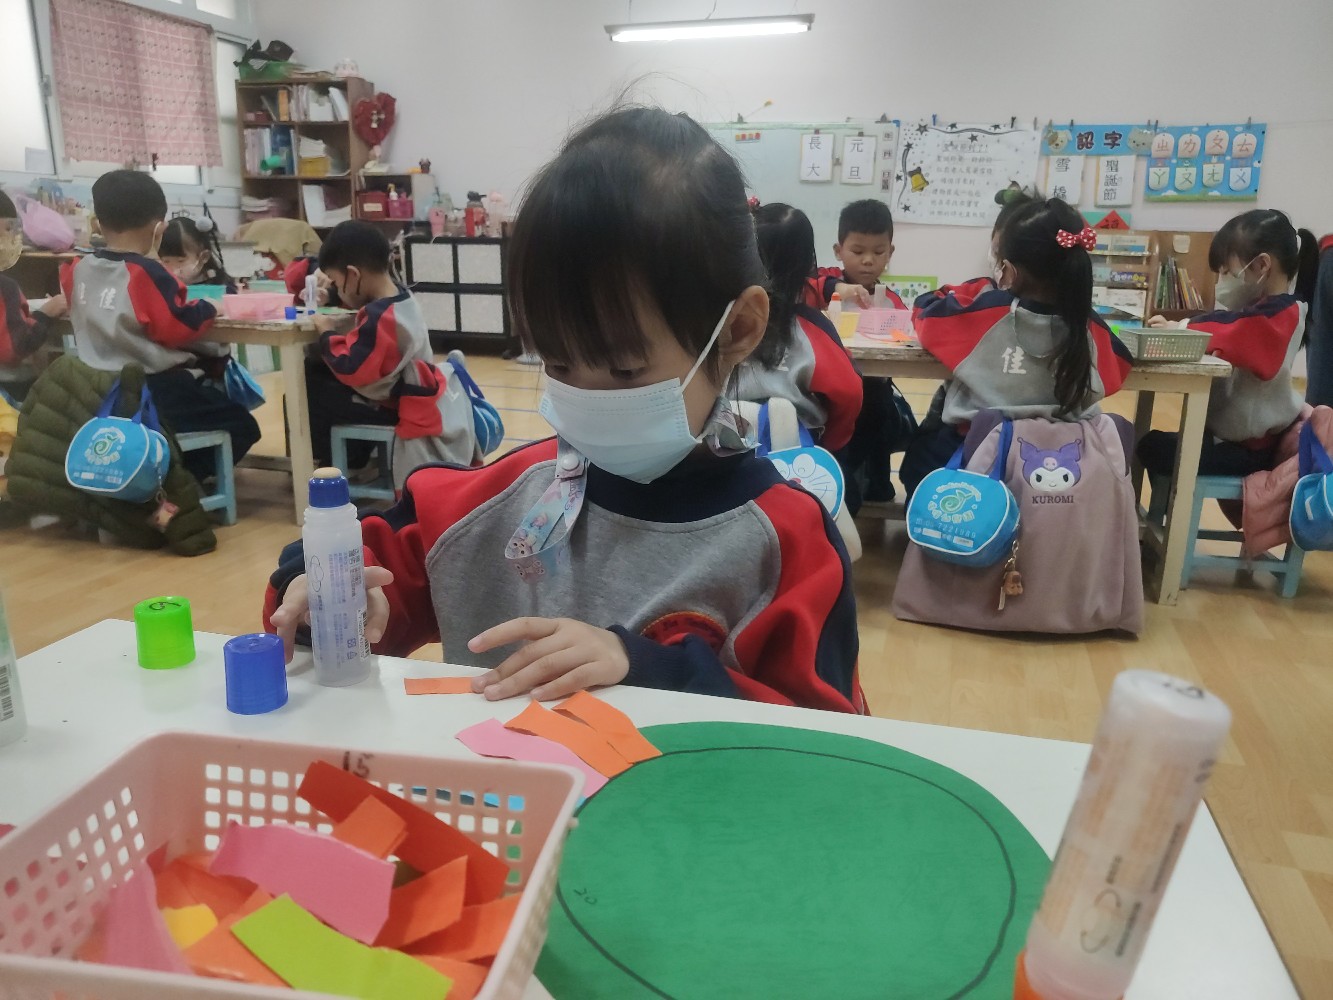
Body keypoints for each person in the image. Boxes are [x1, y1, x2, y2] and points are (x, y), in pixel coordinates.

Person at [265, 107, 864, 713]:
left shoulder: (787, 547)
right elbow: (368, 565)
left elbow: (826, 740)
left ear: (736, 330)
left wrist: (650, 668)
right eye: (557, 363)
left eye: (624, 369)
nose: (586, 395)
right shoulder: (497, 503)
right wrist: (322, 593)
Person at [899, 197, 1133, 498]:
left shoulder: (989, 313)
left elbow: (927, 315)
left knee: (918, 461)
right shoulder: (1086, 324)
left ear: (1008, 271)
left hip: (978, 449)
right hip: (1063, 456)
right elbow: (1119, 367)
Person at [60, 170, 258, 482]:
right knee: (242, 424)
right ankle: (179, 481)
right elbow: (175, 325)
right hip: (153, 390)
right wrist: (211, 307)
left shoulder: (77, 269)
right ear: (159, 229)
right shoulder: (147, 273)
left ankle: (157, 475)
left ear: (97, 223)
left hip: (95, 391)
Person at [1139, 209, 1318, 478]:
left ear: (1262, 266)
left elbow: (1236, 331)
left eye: (1227, 272)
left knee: (1152, 447)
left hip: (1249, 451)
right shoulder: (1269, 310)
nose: (1221, 282)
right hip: (1235, 440)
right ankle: (1172, 503)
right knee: (1155, 443)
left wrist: (1181, 327)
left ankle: (1176, 504)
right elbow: (1231, 323)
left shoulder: (1279, 315)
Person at [304, 220, 476, 480]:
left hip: (394, 408)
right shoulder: (400, 298)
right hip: (410, 396)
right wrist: (333, 297)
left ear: (353, 274)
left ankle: (336, 463)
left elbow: (351, 366)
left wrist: (327, 333)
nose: (337, 289)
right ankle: (350, 457)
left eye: (337, 283)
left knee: (313, 383)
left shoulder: (380, 318)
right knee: (320, 374)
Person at [736, 203, 863, 453]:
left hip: (721, 438)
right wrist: (833, 442)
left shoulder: (718, 322)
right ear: (806, 264)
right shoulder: (811, 328)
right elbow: (850, 392)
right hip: (795, 444)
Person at [0, 189, 67, 401]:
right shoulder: (5, 288)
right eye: (7, 230)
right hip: (9, 390)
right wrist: (44, 315)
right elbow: (15, 348)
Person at [804, 199, 904, 310]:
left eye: (878, 252)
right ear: (838, 251)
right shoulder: (824, 277)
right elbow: (803, 287)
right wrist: (838, 288)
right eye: (858, 252)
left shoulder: (892, 303)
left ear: (889, 253)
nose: (868, 260)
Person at [157, 214, 236, 291]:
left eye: (181, 261)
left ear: (204, 257)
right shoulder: (161, 284)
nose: (174, 270)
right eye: (166, 261)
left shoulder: (221, 286)